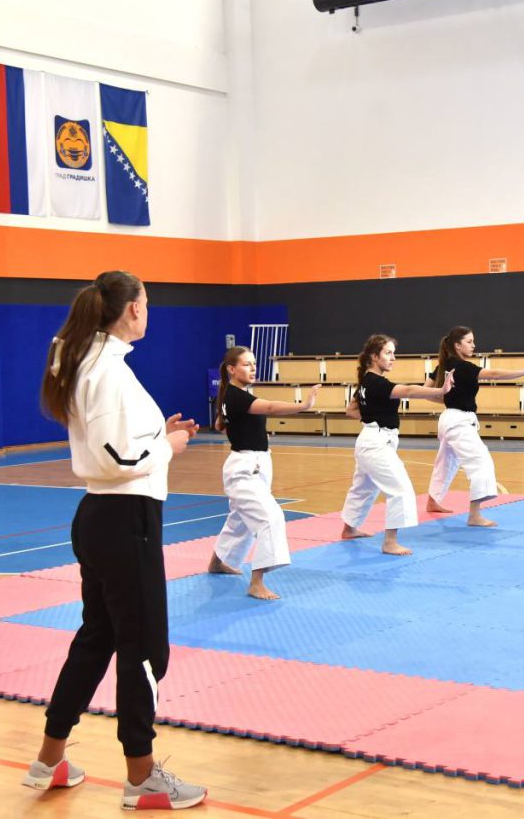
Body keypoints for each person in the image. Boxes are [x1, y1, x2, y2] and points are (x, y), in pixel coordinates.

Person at [22, 271, 207, 811]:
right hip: (125, 520)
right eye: (146, 303)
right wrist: (168, 446)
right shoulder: (105, 371)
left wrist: (158, 434)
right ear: (131, 310)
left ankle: (49, 760)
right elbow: (115, 458)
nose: (148, 311)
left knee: (97, 637)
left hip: (106, 518)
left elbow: (119, 444)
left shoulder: (92, 361)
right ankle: (142, 778)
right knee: (144, 647)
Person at [208, 346, 320, 600]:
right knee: (271, 518)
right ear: (231, 369)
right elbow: (269, 407)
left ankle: (218, 562)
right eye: (246, 364)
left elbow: (219, 425)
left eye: (254, 363)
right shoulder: (236, 396)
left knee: (240, 520)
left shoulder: (230, 396)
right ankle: (257, 582)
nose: (253, 368)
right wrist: (303, 405)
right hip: (245, 469)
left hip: (255, 464)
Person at [340, 334, 453, 555]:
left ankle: (349, 529)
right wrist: (440, 391)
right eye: (388, 353)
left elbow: (351, 410)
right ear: (375, 357)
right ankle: (390, 542)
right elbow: (409, 390)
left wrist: (370, 419)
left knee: (363, 488)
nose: (393, 358)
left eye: (394, 353)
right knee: (400, 489)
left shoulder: (366, 382)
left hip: (370, 439)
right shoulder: (377, 383)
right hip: (376, 443)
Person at [425, 326, 524, 527]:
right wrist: (523, 371)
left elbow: (426, 391)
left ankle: (433, 501)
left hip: (448, 419)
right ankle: (474, 515)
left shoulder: (444, 365)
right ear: (457, 345)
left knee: (446, 462)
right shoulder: (463, 367)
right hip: (459, 422)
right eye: (469, 341)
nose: (473, 345)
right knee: (481, 463)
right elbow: (493, 374)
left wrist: (448, 400)